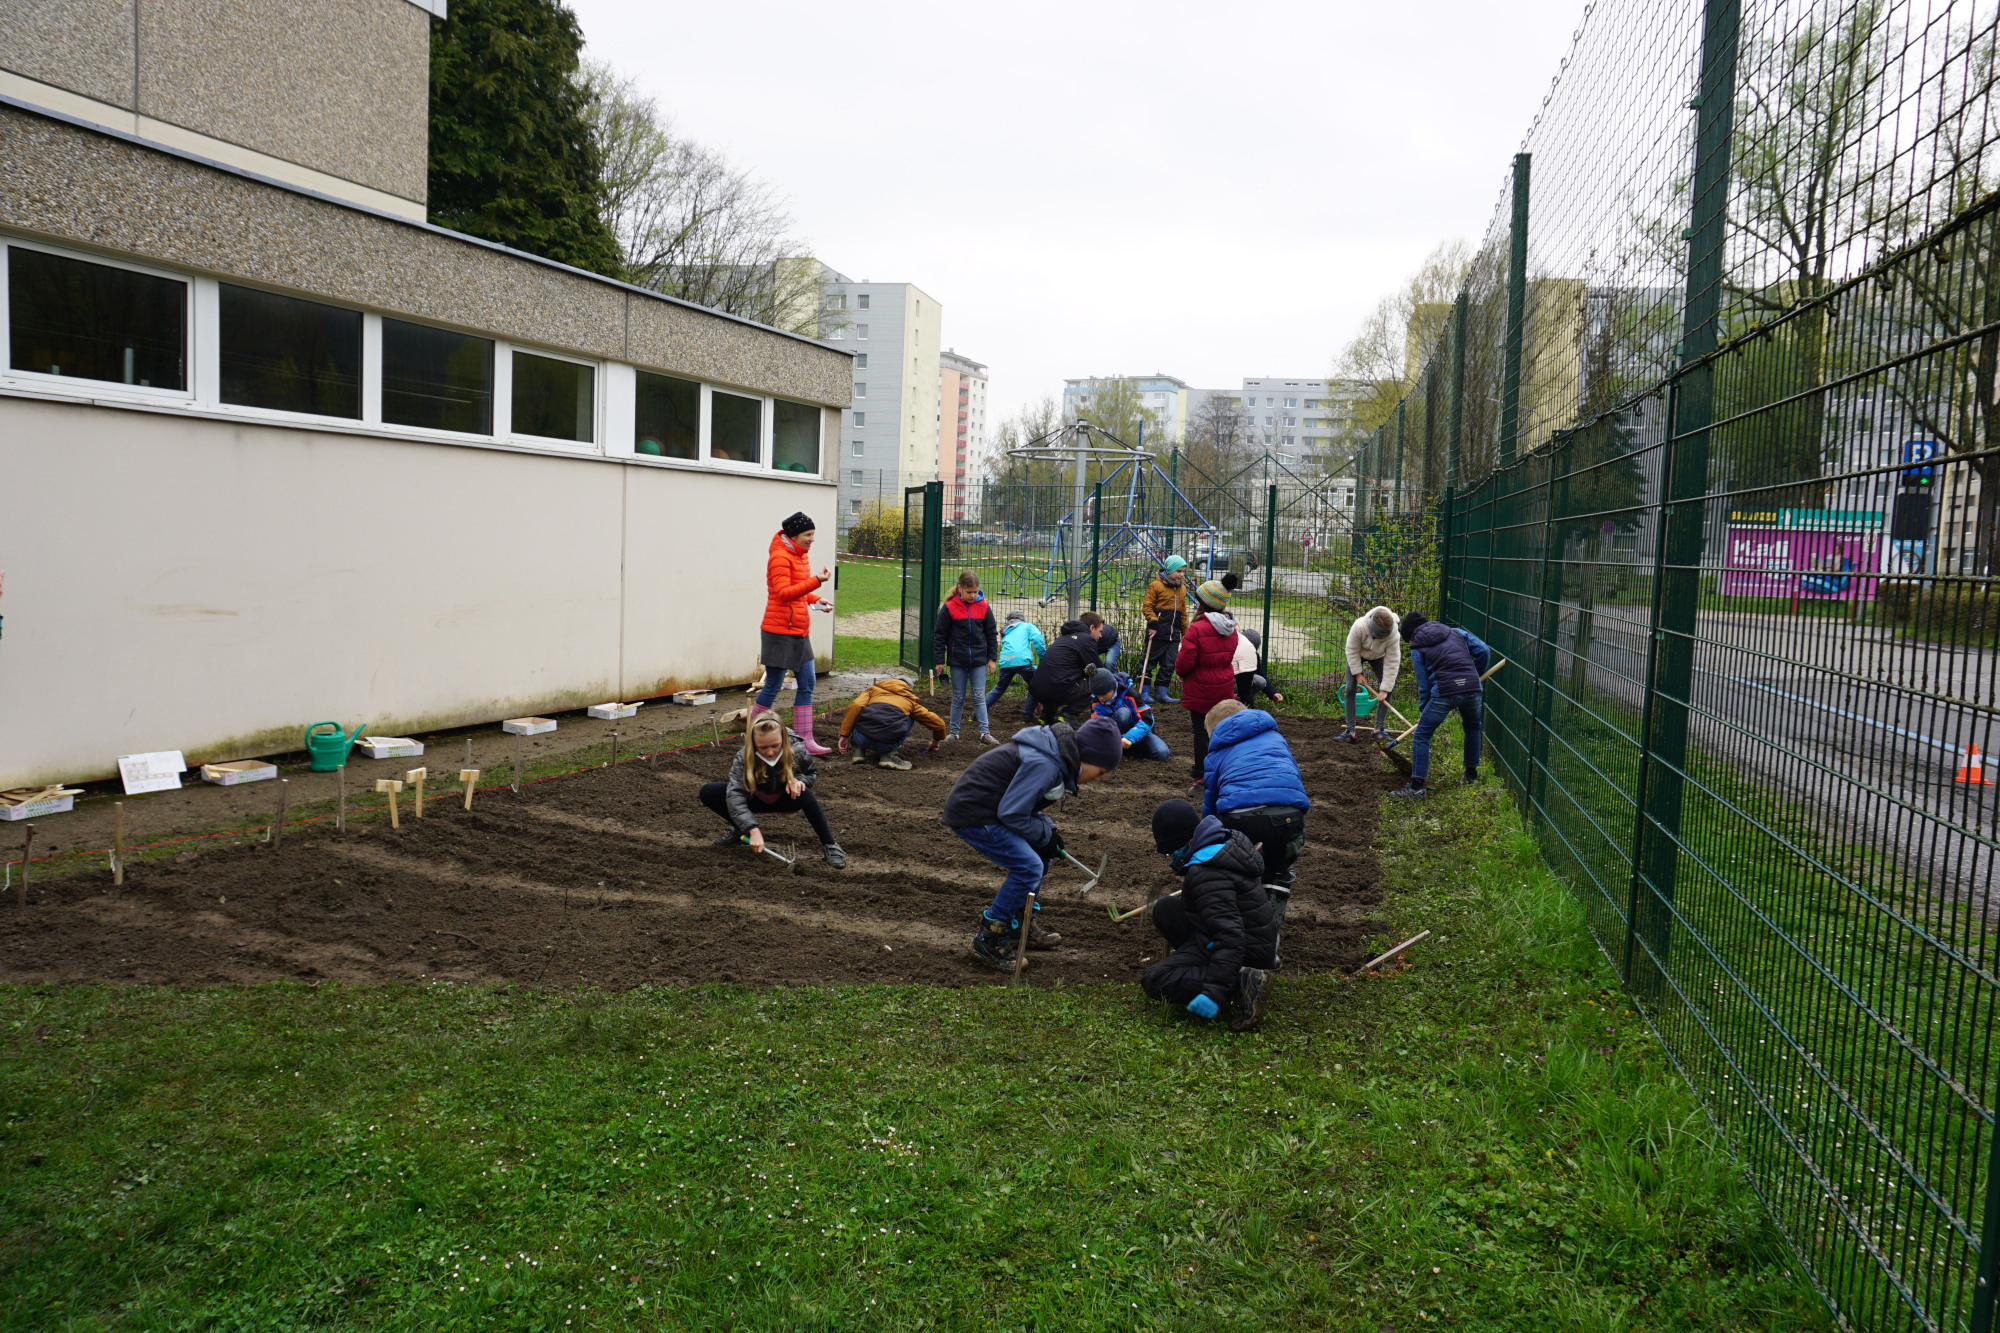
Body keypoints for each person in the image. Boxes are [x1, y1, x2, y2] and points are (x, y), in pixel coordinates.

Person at [941, 715, 1124, 971]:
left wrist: (1047, 831)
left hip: (994, 809)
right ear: (1088, 757)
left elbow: (1025, 805)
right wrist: (1044, 835)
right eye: (1101, 772)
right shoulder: (1045, 764)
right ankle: (989, 936)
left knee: (1041, 856)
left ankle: (1019, 925)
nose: (1098, 778)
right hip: (976, 812)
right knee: (1028, 867)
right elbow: (1013, 812)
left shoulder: (1056, 757)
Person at [1142, 798, 1279, 1032]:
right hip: (1244, 936)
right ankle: (1209, 969)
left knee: (1155, 979)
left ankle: (1243, 982)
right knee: (1165, 908)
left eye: (1169, 853)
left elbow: (1230, 936)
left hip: (1247, 951)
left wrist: (1214, 991)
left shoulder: (1207, 874)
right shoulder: (1219, 845)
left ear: (1180, 842)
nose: (1170, 860)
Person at [700, 712, 846, 867]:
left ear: (783, 738)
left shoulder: (796, 749)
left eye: (775, 745)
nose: (770, 752)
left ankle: (831, 845)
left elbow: (811, 773)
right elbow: (735, 795)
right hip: (754, 799)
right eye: (762, 747)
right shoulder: (743, 757)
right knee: (708, 792)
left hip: (785, 799)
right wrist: (752, 829)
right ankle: (741, 830)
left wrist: (798, 780)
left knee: (805, 792)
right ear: (753, 743)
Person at [1200, 699, 1310, 895]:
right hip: (1288, 816)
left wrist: (1205, 835)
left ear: (1217, 730)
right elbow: (1293, 779)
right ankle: (1276, 882)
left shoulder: (1216, 753)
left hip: (1239, 818)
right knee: (1282, 854)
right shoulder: (1276, 739)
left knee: (1231, 860)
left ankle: (1233, 890)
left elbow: (1211, 800)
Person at [757, 511, 835, 755]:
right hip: (779, 631)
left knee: (808, 682)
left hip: (800, 630)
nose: (812, 539)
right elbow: (782, 594)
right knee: (773, 684)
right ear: (794, 535)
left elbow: (797, 592)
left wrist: (815, 598)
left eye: (813, 534)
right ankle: (754, 736)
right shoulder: (780, 557)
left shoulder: (800, 556)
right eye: (808, 534)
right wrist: (815, 582)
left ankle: (804, 741)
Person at [1391, 612, 1489, 799]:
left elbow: (1424, 685)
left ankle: (1417, 787)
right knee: (1473, 728)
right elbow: (1483, 651)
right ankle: (1470, 775)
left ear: (1411, 636)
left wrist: (1424, 710)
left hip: (1444, 691)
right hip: (1472, 688)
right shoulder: (1456, 632)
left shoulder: (1417, 647)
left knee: (1421, 735)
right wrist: (1474, 675)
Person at [1173, 579, 1240, 781]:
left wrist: (1180, 673)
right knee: (1220, 729)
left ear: (1202, 603)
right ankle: (1223, 770)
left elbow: (1185, 662)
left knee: (1201, 732)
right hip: (1223, 687)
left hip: (1201, 688)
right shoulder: (1231, 628)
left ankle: (1202, 776)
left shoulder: (1197, 629)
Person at [931, 570, 999, 744]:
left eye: (975, 592)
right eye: (969, 592)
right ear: (960, 588)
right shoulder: (949, 607)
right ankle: (954, 733)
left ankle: (985, 733)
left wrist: (992, 659)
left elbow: (991, 633)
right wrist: (939, 660)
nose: (973, 595)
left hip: (978, 659)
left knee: (978, 696)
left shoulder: (984, 606)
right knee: (958, 697)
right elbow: (940, 634)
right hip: (957, 660)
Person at [837, 677, 947, 770]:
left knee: (859, 710)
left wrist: (844, 735)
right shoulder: (910, 702)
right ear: (908, 689)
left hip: (861, 738)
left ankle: (858, 752)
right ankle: (888, 756)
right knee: (909, 716)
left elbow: (855, 706)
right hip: (886, 743)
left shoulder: (873, 690)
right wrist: (936, 740)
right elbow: (939, 723)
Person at [1028, 611, 1105, 726]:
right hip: (1059, 690)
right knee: (1095, 682)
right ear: (1092, 628)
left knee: (1058, 678)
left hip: (1038, 690)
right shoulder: (1086, 640)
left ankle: (1047, 715)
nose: (1100, 636)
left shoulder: (1062, 639)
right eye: (1100, 631)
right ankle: (1069, 714)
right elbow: (1097, 669)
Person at [1340, 607, 1401, 744]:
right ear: (1371, 629)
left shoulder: (1394, 634)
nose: (1381, 639)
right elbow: (1351, 649)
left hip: (1379, 656)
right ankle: (1350, 731)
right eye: (1377, 637)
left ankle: (1378, 730)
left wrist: (1384, 689)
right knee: (1350, 688)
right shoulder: (1359, 626)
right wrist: (1357, 673)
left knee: (1388, 688)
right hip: (1357, 655)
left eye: (1383, 638)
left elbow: (1393, 661)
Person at [1086, 668, 1170, 761]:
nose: (1101, 698)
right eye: (1098, 694)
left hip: (1137, 733)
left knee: (1162, 754)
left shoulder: (1131, 694)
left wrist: (1130, 737)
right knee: (1122, 714)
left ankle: (1131, 750)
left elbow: (1147, 720)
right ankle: (1120, 750)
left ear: (1113, 687)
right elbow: (1098, 726)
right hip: (1114, 738)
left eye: (1104, 694)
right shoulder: (1096, 701)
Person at [1140, 555, 1190, 703]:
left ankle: (1161, 693)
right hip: (1157, 631)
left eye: (1183, 571)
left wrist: (1185, 632)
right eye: (1178, 571)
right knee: (1149, 661)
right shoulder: (1156, 586)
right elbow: (1147, 606)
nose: (1181, 575)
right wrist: (1154, 622)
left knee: (1169, 663)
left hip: (1173, 634)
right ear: (1169, 570)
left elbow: (1183, 612)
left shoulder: (1182, 588)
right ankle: (1143, 692)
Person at [986, 610, 1047, 722]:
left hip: (1005, 662)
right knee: (1035, 685)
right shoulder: (1027, 626)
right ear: (1022, 619)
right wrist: (1043, 656)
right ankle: (1027, 715)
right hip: (1021, 661)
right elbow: (1038, 639)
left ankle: (978, 712)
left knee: (999, 688)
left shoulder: (1006, 630)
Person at [1232, 626, 1286, 708]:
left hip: (1241, 684)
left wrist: (1273, 693)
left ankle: (1241, 701)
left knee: (1260, 680)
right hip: (1229, 685)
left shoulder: (1254, 656)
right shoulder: (1232, 654)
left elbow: (1261, 674)